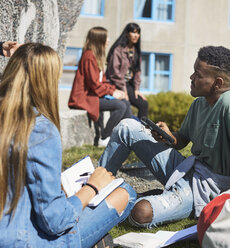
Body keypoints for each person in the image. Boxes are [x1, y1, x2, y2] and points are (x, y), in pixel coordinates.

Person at [98, 46, 230, 228]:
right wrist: (168, 136)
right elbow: (182, 140)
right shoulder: (199, 103)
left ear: (217, 83)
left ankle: (137, 197)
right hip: (186, 169)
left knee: (141, 212)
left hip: (204, 190)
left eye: (198, 74)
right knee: (126, 127)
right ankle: (98, 187)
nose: (191, 77)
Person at [0, 43, 136, 247]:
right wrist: (92, 187)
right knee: (125, 192)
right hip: (25, 240)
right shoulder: (39, 129)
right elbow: (54, 221)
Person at [68, 27, 132, 147]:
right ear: (99, 40)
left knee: (125, 103)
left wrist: (115, 90)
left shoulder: (96, 56)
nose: (108, 40)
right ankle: (104, 137)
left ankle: (128, 137)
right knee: (120, 106)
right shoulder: (89, 56)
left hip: (94, 95)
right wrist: (112, 93)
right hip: (85, 98)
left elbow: (101, 82)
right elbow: (94, 84)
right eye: (106, 37)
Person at [106, 22, 148, 119]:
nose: (136, 35)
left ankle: (143, 130)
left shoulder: (136, 51)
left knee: (143, 104)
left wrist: (136, 89)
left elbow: (138, 72)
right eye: (133, 32)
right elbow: (114, 73)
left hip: (128, 85)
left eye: (138, 33)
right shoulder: (118, 50)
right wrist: (124, 91)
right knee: (126, 105)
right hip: (115, 84)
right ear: (127, 34)